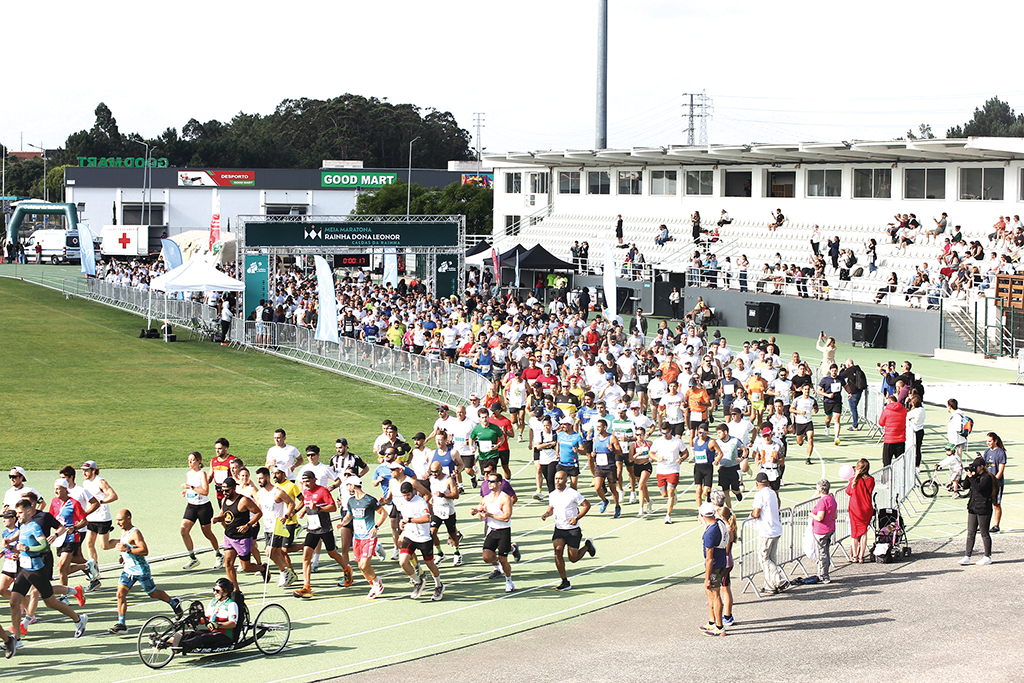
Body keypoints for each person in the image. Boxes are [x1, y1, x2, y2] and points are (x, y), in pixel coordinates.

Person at [6, 498, 88, 658]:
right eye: (17, 513)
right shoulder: (22, 526)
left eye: (20, 513)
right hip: (24, 569)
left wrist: (26, 548)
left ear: (29, 511)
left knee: (50, 602)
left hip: (36, 571)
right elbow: (22, 546)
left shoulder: (34, 527)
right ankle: (17, 639)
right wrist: (13, 548)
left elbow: (44, 546)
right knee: (14, 602)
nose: (18, 516)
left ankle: (79, 619)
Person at [104, 509, 183, 633]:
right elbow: (128, 547)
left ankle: (174, 603)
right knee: (120, 594)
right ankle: (121, 624)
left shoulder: (135, 533)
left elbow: (144, 550)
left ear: (128, 518)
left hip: (141, 570)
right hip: (128, 570)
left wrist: (127, 550)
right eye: (117, 520)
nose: (118, 523)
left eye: (120, 520)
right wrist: (124, 556)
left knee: (153, 593)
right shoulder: (124, 531)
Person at [293, 471, 352, 598]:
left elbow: (333, 507)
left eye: (308, 481)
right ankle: (306, 587)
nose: (306, 484)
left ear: (314, 480)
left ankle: (347, 569)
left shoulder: (322, 491)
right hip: (312, 529)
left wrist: (318, 509)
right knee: (306, 555)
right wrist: (303, 511)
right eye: (304, 482)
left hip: (324, 528)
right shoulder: (306, 492)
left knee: (332, 553)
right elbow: (308, 504)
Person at [540, 470, 596, 591]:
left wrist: (576, 518)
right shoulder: (552, 494)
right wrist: (546, 514)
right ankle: (565, 581)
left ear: (566, 480)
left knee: (573, 558)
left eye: (560, 479)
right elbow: (551, 509)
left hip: (572, 530)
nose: (557, 481)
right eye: (556, 479)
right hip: (559, 529)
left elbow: (587, 505)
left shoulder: (572, 493)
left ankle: (587, 546)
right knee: (558, 551)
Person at [211, 478, 268, 591]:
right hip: (229, 537)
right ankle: (236, 590)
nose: (224, 493)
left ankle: (262, 568)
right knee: (228, 563)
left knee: (246, 567)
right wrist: (217, 519)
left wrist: (248, 525)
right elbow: (225, 515)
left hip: (242, 538)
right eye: (223, 490)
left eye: (227, 490)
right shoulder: (224, 500)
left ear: (234, 488)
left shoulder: (243, 500)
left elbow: (258, 513)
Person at [394, 481, 444, 601]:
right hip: (410, 537)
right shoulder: (402, 502)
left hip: (423, 538)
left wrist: (410, 520)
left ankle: (439, 585)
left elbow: (426, 518)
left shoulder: (420, 502)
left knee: (430, 564)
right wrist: (403, 527)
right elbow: (404, 518)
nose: (406, 497)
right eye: (404, 495)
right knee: (403, 562)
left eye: (408, 495)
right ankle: (418, 581)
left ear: (413, 492)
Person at [339, 475, 386, 599]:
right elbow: (349, 515)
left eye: (348, 485)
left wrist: (376, 527)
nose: (347, 487)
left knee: (364, 565)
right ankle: (373, 586)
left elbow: (383, 513)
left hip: (368, 537)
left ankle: (377, 580)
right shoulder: (351, 501)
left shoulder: (369, 500)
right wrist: (343, 522)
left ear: (353, 485)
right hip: (357, 537)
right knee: (360, 566)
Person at [471, 471, 516, 594]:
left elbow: (506, 517)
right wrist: (478, 512)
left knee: (504, 560)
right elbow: (481, 517)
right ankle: (507, 553)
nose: (489, 483)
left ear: (499, 483)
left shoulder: (505, 498)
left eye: (492, 481)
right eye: (488, 481)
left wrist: (489, 515)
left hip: (503, 531)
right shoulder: (486, 498)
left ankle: (509, 581)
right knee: (486, 557)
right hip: (492, 530)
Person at [79, 460, 118, 593]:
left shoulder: (101, 482)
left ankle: (125, 542)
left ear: (94, 470)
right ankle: (95, 572)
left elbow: (113, 496)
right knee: (89, 543)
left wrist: (100, 501)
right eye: (83, 470)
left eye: (87, 470)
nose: (84, 473)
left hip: (102, 518)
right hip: (91, 518)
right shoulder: (85, 483)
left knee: (104, 545)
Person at [181, 451, 224, 570]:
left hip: (203, 507)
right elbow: (193, 490)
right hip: (191, 506)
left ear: (198, 461)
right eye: (189, 460)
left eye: (192, 460)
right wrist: (187, 492)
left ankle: (218, 555)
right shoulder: (188, 474)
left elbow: (205, 491)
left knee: (207, 533)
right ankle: (192, 558)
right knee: (184, 530)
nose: (190, 462)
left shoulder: (202, 474)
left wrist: (190, 487)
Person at [749, 472, 787, 594]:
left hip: (766, 531)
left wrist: (751, 515)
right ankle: (770, 585)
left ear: (757, 484)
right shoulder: (772, 493)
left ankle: (778, 580)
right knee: (772, 558)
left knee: (764, 558)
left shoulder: (760, 494)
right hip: (776, 529)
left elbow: (756, 512)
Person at [178, 578, 238, 653]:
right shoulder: (213, 602)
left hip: (224, 636)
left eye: (217, 591)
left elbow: (233, 624)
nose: (214, 593)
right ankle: (168, 642)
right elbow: (206, 619)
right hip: (212, 633)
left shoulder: (231, 604)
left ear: (226, 591)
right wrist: (195, 621)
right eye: (214, 590)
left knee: (199, 638)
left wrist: (218, 625)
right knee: (188, 634)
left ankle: (183, 646)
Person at [957, 457, 996, 566]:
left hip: (984, 507)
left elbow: (979, 488)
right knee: (971, 532)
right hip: (973, 507)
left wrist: (972, 477)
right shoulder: (975, 476)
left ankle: (987, 556)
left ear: (982, 467)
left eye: (976, 467)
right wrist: (968, 475)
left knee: (984, 532)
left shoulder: (987, 477)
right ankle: (967, 556)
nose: (975, 468)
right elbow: (965, 486)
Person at [698, 501, 728, 636]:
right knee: (710, 593)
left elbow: (709, 559)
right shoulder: (719, 523)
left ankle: (719, 626)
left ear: (702, 515)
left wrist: (707, 578)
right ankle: (712, 621)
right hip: (722, 561)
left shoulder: (710, 534)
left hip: (714, 566)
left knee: (715, 595)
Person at [427, 461, 463, 566]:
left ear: (441, 469)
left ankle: (457, 552)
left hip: (448, 510)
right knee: (432, 532)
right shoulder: (431, 479)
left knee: (452, 534)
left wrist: (443, 495)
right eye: (432, 471)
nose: (434, 474)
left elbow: (456, 495)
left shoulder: (448, 479)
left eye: (436, 471)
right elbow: (432, 492)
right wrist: (432, 499)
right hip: (437, 510)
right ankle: (440, 553)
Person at [709, 490, 737, 628]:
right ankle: (724, 613)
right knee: (724, 588)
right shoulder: (728, 527)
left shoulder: (727, 529)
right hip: (726, 561)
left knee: (725, 589)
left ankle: (727, 615)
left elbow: (726, 548)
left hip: (724, 562)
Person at [651, 422, 687, 524]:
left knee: (670, 491)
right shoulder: (658, 441)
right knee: (664, 494)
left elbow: (685, 453)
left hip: (673, 469)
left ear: (671, 431)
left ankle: (668, 515)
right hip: (661, 470)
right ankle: (673, 494)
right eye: (663, 433)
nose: (665, 435)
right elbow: (651, 453)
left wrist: (681, 459)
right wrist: (657, 458)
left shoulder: (677, 442)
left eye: (666, 433)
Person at [845, 459, 875, 563]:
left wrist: (854, 477)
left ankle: (855, 556)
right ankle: (861, 556)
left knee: (854, 533)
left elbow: (848, 491)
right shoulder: (871, 480)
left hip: (855, 509)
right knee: (864, 532)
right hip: (867, 508)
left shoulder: (854, 480)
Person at [809, 480, 837, 583]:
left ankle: (823, 575)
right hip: (829, 527)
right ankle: (823, 573)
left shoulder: (822, 501)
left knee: (822, 553)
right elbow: (835, 515)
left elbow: (820, 517)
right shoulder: (832, 499)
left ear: (820, 490)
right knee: (825, 551)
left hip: (822, 530)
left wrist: (812, 515)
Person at [980, 433, 1006, 534]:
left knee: (996, 504)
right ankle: (983, 525)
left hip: (996, 484)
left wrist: (994, 481)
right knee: (985, 504)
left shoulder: (1001, 453)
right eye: (987, 441)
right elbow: (984, 466)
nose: (988, 443)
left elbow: (1000, 470)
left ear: (995, 441)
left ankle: (996, 525)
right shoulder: (987, 452)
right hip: (987, 482)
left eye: (990, 441)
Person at [816, 364, 845, 446]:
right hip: (828, 401)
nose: (834, 372)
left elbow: (846, 386)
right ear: (830, 371)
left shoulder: (840, 379)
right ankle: (827, 426)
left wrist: (850, 393)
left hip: (837, 401)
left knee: (837, 419)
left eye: (835, 371)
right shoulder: (825, 379)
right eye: (832, 371)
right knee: (828, 418)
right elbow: (819, 390)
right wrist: (827, 395)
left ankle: (836, 437)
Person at [877, 395, 908, 466]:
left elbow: (881, 423)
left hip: (889, 439)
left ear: (890, 401)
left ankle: (887, 473)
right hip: (900, 439)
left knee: (886, 462)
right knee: (900, 463)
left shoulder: (886, 411)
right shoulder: (903, 410)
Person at [839, 359, 867, 432]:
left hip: (853, 392)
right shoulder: (858, 369)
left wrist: (843, 369)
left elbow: (841, 376)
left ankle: (855, 425)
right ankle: (855, 424)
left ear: (848, 365)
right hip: (859, 391)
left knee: (853, 409)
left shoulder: (849, 370)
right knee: (854, 408)